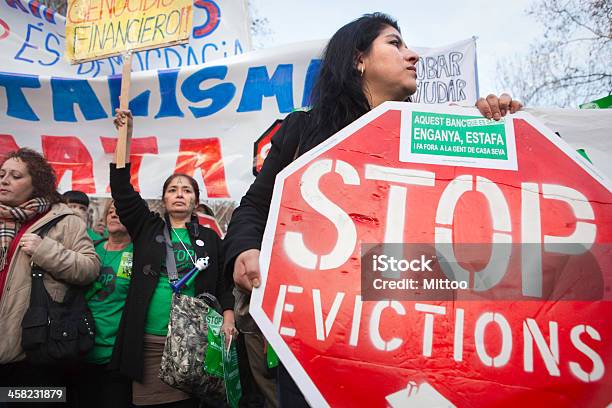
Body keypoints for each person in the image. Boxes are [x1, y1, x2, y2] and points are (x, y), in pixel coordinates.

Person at [223, 12, 523, 407]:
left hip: (409, 344)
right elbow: (253, 209)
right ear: (358, 60)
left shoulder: (435, 135)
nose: (412, 55)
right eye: (395, 43)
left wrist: (500, 126)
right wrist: (245, 250)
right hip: (316, 340)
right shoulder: (301, 131)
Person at [110, 110, 236, 408]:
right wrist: (124, 137)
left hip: (193, 341)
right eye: (172, 190)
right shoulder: (147, 227)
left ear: (195, 200)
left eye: (186, 190)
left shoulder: (209, 238)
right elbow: (121, 189)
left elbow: (223, 283)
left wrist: (228, 315)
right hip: (149, 342)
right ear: (164, 199)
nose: (179, 194)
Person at [0, 148, 100, 390]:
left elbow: (89, 268)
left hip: (34, 352)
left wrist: (46, 251)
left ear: (37, 184)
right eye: (2, 174)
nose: (4, 180)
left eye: (16, 176)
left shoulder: (65, 221)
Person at [76, 199, 134, 408]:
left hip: (114, 357)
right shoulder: (91, 250)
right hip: (80, 350)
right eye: (110, 211)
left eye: (120, 211)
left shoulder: (140, 255)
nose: (113, 215)